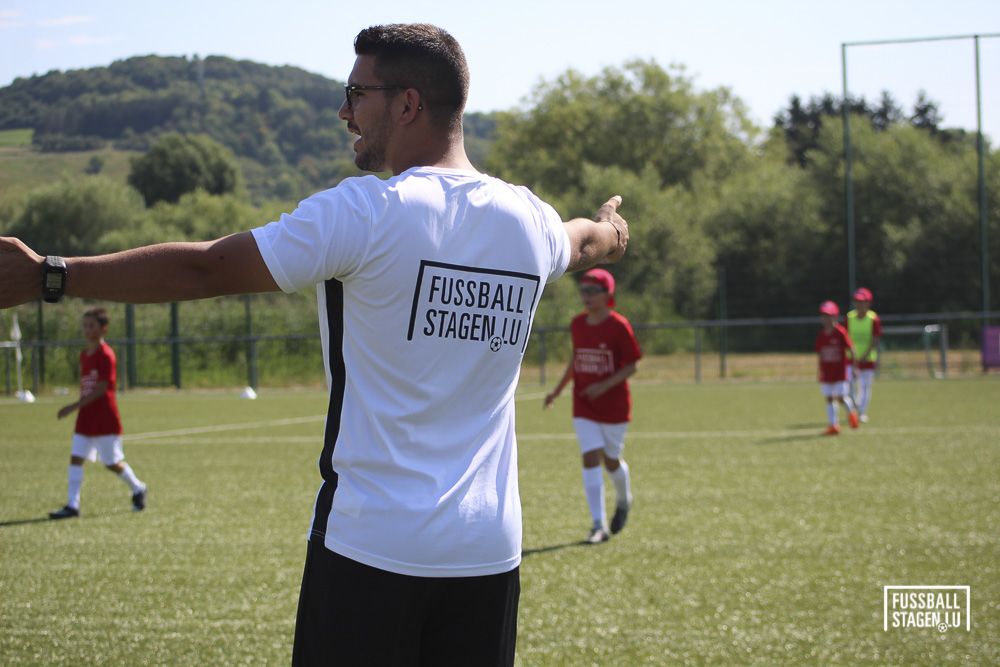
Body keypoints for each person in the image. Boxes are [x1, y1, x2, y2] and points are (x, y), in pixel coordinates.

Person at [0, 24, 630, 665]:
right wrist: (611, 228)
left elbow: (206, 269)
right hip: (487, 553)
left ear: (407, 104)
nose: (343, 111)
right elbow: (584, 241)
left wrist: (51, 275)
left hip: (370, 547)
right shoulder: (528, 219)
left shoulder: (365, 211)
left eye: (357, 93)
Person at [544, 268, 640, 544]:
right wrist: (557, 391)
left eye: (592, 291)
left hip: (613, 407)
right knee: (589, 456)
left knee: (611, 461)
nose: (586, 296)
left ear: (607, 294)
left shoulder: (619, 325)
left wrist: (603, 386)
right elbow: (576, 361)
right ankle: (598, 525)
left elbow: (631, 365)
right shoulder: (577, 324)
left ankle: (624, 499)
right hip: (583, 403)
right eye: (583, 290)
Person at [48, 307, 147, 519]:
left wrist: (73, 406)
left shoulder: (106, 355)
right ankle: (72, 505)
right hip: (86, 417)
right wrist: (79, 407)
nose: (87, 330)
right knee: (76, 458)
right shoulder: (84, 355)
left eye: (91, 326)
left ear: (103, 328)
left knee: (111, 463)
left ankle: (138, 487)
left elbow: (102, 388)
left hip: (104, 417)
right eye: (85, 325)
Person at [815, 301, 860, 435]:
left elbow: (852, 349)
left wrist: (854, 367)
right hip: (827, 372)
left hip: (840, 371)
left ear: (835, 316)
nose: (826, 319)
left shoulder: (840, 332)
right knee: (829, 397)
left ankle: (852, 413)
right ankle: (833, 425)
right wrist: (819, 371)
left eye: (829, 316)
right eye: (824, 316)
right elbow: (820, 355)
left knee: (840, 397)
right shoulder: (821, 335)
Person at [846, 287, 881, 423]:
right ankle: (854, 409)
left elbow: (875, 340)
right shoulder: (849, 317)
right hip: (851, 359)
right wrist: (855, 357)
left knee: (865, 386)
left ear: (868, 303)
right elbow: (846, 338)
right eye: (857, 301)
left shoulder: (873, 319)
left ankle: (861, 412)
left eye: (862, 302)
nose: (859, 304)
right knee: (849, 386)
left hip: (868, 359)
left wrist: (864, 356)